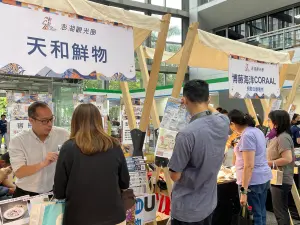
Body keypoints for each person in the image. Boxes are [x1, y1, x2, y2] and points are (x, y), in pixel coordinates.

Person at [54, 104, 129, 225]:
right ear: (99, 121)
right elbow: (125, 182)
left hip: (78, 218)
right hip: (114, 217)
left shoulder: (68, 147)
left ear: (75, 122)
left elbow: (59, 191)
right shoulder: (114, 145)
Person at [168, 80, 230, 225]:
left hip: (187, 208)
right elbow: (215, 112)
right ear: (208, 99)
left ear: (184, 100)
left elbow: (174, 175)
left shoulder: (186, 134)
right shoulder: (223, 121)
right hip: (208, 202)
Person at [9, 101, 69, 197]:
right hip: (26, 194)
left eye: (51, 119)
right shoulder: (18, 140)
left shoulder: (63, 134)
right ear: (31, 120)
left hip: (53, 193)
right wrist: (43, 164)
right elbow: (19, 172)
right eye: (44, 121)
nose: (49, 124)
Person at [228, 109, 272, 225]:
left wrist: (244, 191)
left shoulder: (247, 135)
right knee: (261, 211)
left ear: (233, 123)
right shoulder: (256, 131)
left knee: (255, 215)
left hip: (253, 181)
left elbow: (249, 165)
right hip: (262, 177)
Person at [267, 110, 294, 225]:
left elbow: (287, 158)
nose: (268, 123)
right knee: (280, 210)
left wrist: (269, 163)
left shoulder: (283, 137)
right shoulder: (277, 137)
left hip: (281, 179)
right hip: (276, 178)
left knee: (280, 212)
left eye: (269, 120)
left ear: (276, 122)